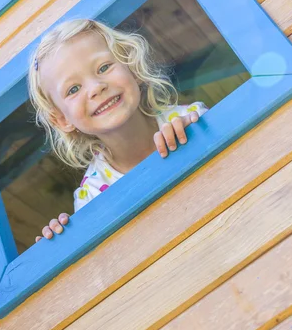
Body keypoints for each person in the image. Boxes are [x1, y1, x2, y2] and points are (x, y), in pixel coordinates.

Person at [28, 18, 208, 243]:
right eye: (73, 89)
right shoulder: (91, 199)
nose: (96, 87)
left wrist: (199, 139)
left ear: (131, 68)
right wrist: (64, 241)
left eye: (104, 67)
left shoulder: (191, 119)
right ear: (62, 119)